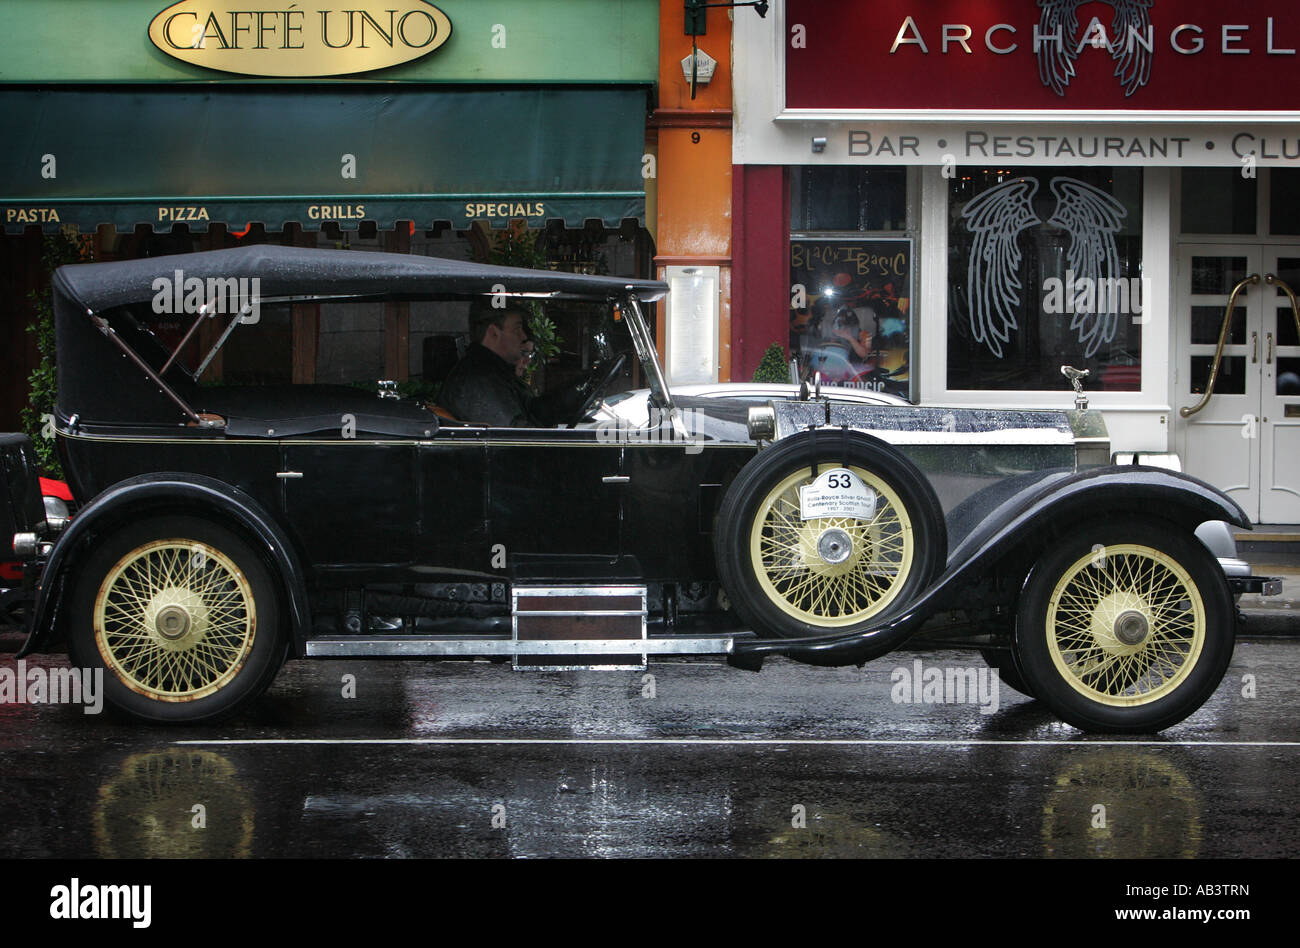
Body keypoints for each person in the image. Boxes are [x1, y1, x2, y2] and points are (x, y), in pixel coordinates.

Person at [439, 303, 576, 426]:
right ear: (493, 333)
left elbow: (534, 411)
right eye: (517, 329)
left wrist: (572, 395)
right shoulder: (477, 380)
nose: (523, 336)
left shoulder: (496, 372)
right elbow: (515, 439)